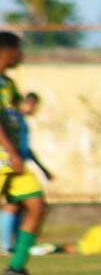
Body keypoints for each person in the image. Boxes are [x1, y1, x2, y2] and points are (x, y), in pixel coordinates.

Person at [0, 32, 48, 275]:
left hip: (11, 158)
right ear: (6, 51)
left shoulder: (7, 84)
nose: (22, 56)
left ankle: (17, 267)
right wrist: (11, 152)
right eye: (18, 50)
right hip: (4, 157)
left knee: (37, 205)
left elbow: (12, 115)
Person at [2, 92, 55, 253]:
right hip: (8, 163)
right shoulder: (11, 119)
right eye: (34, 105)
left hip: (18, 163)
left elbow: (26, 149)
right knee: (13, 205)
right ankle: (6, 246)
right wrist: (12, 155)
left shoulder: (19, 121)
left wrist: (42, 168)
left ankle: (16, 248)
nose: (35, 109)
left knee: (24, 204)